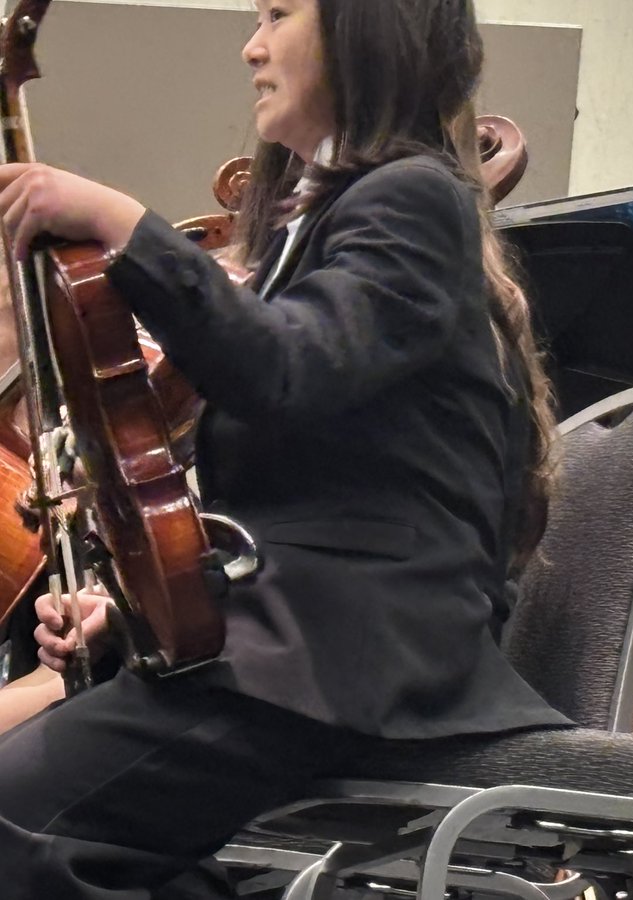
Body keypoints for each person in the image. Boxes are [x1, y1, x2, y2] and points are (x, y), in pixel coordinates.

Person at [0, 1, 569, 896]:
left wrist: (122, 221)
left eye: (277, 13)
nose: (251, 46)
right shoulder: (332, 215)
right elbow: (295, 500)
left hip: (355, 653)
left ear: (366, 28)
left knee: (21, 825)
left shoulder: (414, 195)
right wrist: (135, 615)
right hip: (307, 645)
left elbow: (287, 370)